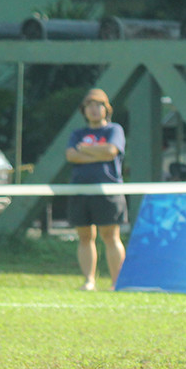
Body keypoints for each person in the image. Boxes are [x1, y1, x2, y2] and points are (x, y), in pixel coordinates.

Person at [65, 88, 128, 291]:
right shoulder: (77, 133)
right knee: (85, 236)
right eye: (89, 105)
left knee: (110, 236)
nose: (94, 109)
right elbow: (71, 156)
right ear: (84, 110)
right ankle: (89, 281)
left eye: (98, 105)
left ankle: (116, 283)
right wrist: (97, 153)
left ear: (106, 108)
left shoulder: (114, 130)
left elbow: (111, 151)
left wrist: (85, 149)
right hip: (80, 190)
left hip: (108, 190)